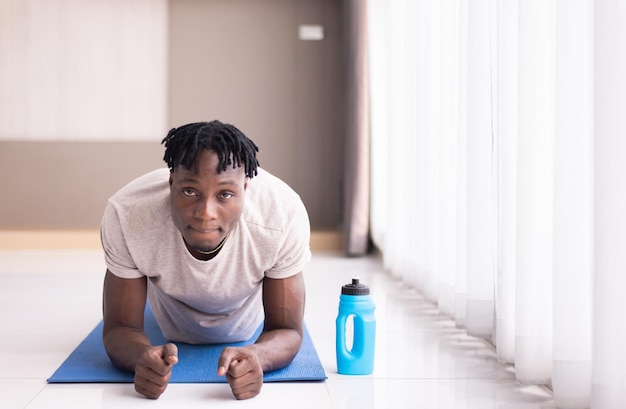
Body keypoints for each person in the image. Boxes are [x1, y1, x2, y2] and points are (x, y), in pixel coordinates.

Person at [100, 120, 311, 400]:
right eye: (190, 191)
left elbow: (286, 329)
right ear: (171, 181)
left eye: (225, 194)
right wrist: (141, 356)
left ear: (246, 188)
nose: (205, 213)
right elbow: (121, 327)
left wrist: (258, 356)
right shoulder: (127, 214)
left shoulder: (282, 214)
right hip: (169, 318)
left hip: (246, 322)